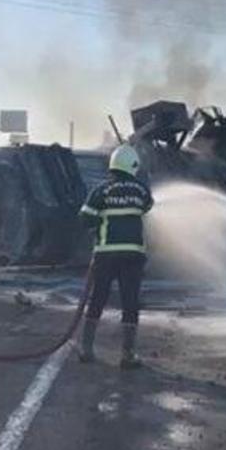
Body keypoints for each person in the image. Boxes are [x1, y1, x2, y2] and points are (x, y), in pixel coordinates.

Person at [77, 144, 154, 366]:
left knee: (98, 299)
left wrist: (99, 220)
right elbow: (148, 207)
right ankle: (127, 355)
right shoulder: (141, 190)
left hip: (105, 255)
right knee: (130, 302)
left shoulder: (101, 191)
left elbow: (84, 219)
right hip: (133, 255)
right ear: (133, 166)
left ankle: (87, 350)